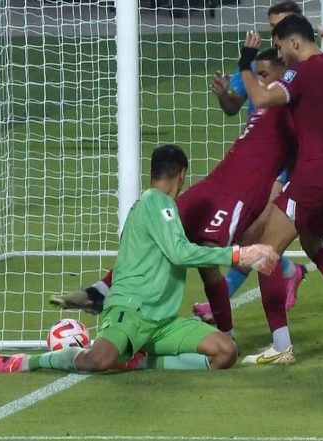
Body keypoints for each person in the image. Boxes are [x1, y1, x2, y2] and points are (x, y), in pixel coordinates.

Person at [51, 49, 297, 338]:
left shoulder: (295, 107)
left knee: (206, 257)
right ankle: (100, 291)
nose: (260, 82)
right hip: (217, 181)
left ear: (286, 72)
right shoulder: (267, 102)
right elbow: (237, 108)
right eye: (258, 75)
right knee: (158, 225)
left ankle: (227, 336)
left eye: (265, 75)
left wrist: (282, 193)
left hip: (241, 193)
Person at [0, 145, 279, 374]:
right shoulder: (156, 205)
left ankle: (139, 360)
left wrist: (91, 292)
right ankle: (23, 362)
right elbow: (181, 253)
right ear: (182, 175)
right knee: (97, 361)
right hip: (131, 314)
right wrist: (241, 253)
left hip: (162, 322)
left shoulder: (158, 211)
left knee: (225, 352)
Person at [235, 14, 323, 364]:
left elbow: (261, 98)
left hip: (316, 178)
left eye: (282, 48)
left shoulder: (299, 73)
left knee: (265, 251)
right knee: (313, 244)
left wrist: (244, 62)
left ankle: (281, 346)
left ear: (295, 43)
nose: (280, 56)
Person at [205, 0, 306, 318]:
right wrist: (225, 93)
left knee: (258, 234)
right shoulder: (261, 61)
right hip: (262, 162)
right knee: (249, 234)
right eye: (273, 27)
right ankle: (290, 271)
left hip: (291, 163)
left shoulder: (304, 62)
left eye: (282, 25)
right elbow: (234, 104)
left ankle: (220, 308)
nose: (276, 34)